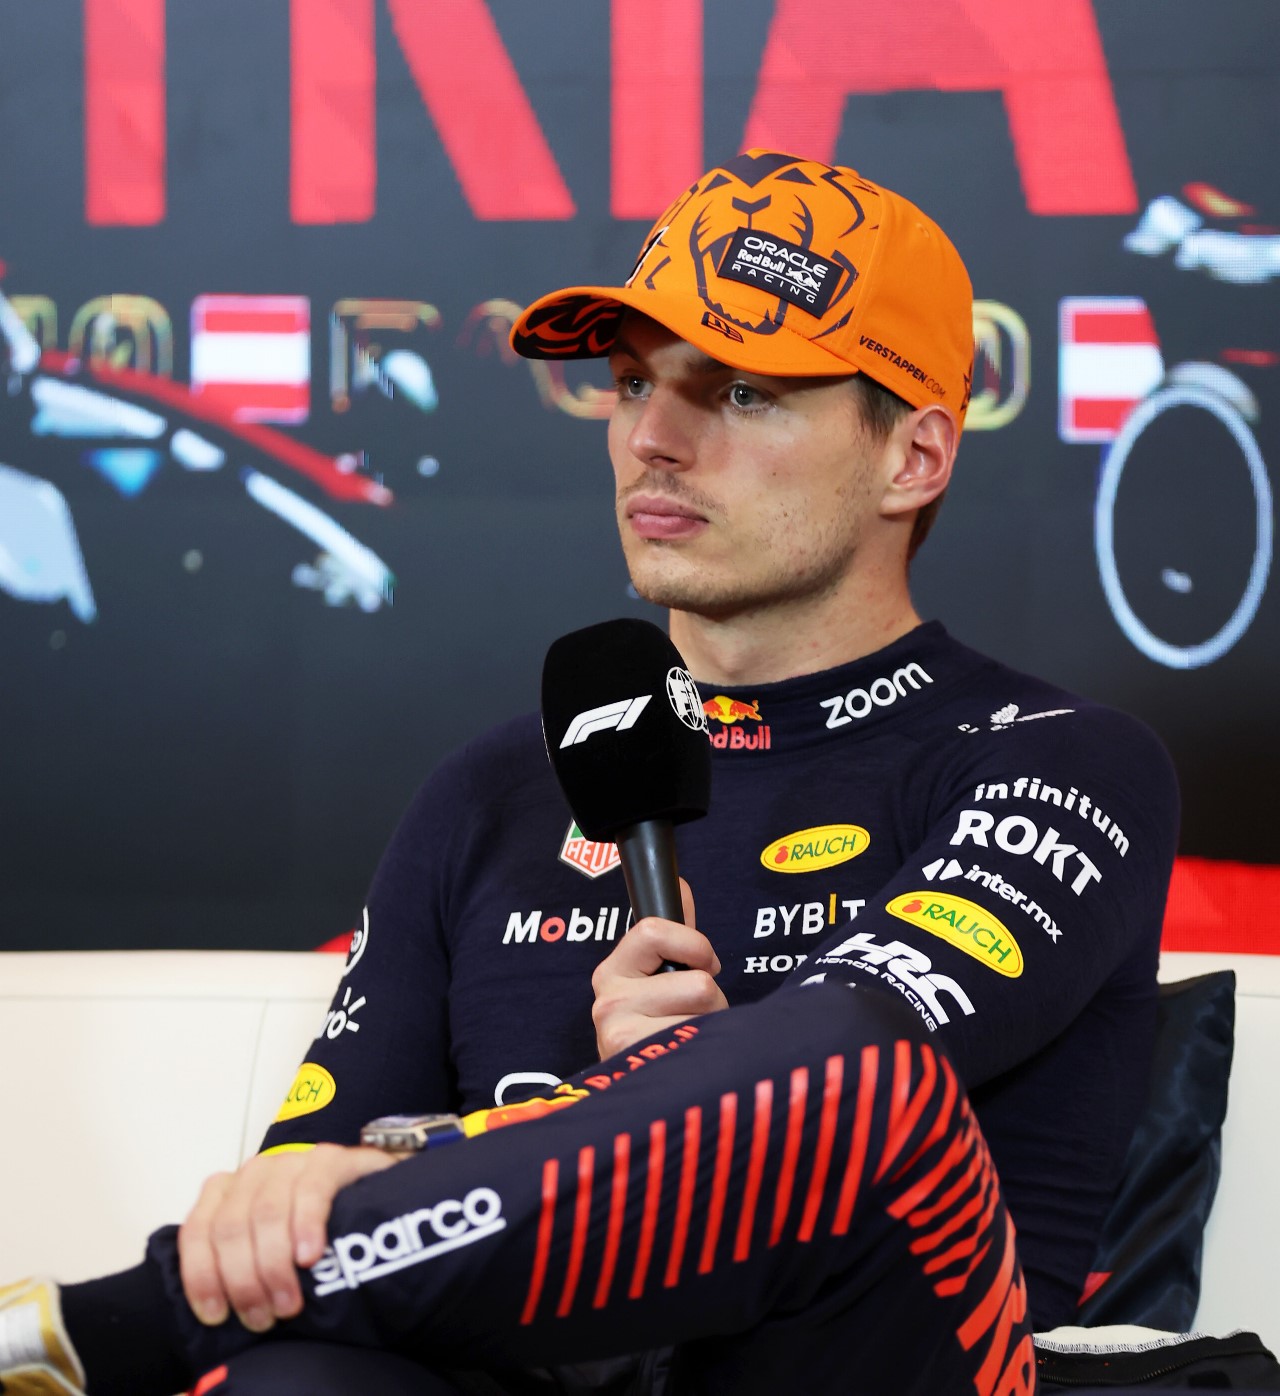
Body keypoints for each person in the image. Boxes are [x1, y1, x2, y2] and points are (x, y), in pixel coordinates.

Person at [0, 149, 1178, 1395]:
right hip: (527, 1371)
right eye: (627, 385)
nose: (651, 440)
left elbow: (858, 1060)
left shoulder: (1060, 760)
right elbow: (302, 1199)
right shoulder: (490, 789)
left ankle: (100, 1328)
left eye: (736, 393)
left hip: (862, 1364)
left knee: (852, 1080)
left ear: (913, 458)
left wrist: (641, 1093)